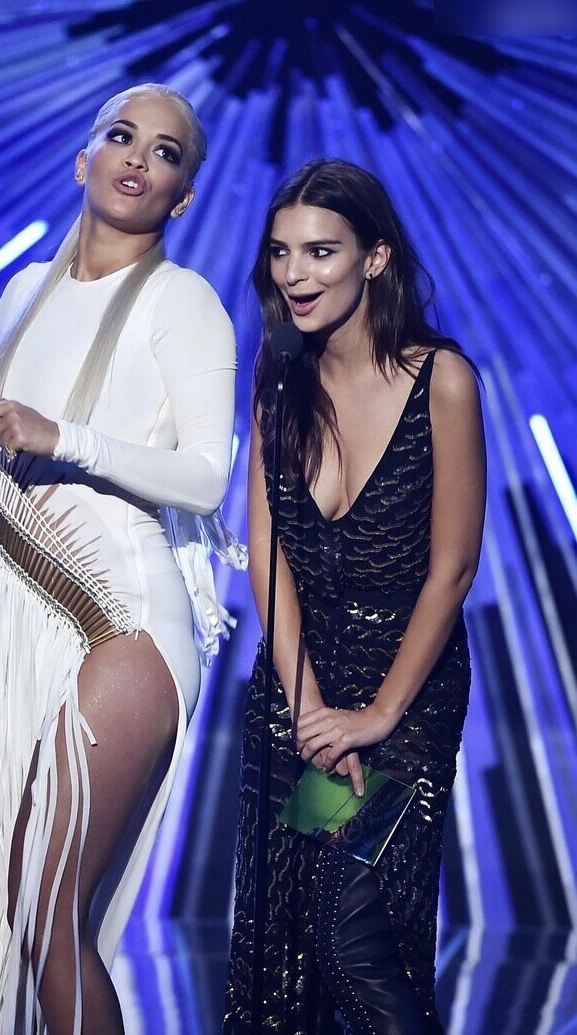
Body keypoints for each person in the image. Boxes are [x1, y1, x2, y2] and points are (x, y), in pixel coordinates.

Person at [0, 83, 238, 1035]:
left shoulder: (183, 302)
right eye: (121, 136)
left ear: (182, 198)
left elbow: (206, 479)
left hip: (124, 622)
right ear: (84, 159)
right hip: (18, 627)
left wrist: (64, 436)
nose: (138, 157)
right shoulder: (22, 292)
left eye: (165, 152)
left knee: (46, 912)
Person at [223, 158, 486, 1034]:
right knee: (288, 954)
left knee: (353, 938)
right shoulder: (277, 379)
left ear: (374, 258)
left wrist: (372, 717)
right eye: (280, 252)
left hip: (400, 705)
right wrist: (309, 710)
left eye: (320, 251)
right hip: (300, 695)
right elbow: (267, 556)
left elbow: (452, 569)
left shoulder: (441, 380)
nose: (294, 274)